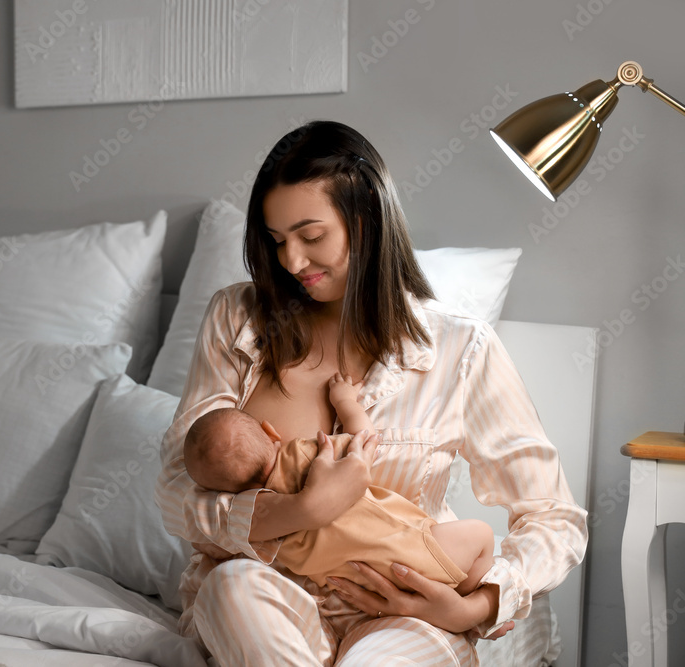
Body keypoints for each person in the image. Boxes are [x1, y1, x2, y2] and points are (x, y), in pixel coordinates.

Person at [155, 120, 588, 665]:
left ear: (365, 224)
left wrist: (475, 608)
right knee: (231, 589)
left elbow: (554, 516)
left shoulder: (460, 348)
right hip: (270, 599)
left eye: (312, 237)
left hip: (405, 612)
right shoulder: (236, 320)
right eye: (277, 241)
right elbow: (175, 492)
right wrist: (302, 510)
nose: (291, 262)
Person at [183, 372, 495, 598]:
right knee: (482, 535)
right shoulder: (303, 454)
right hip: (419, 549)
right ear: (271, 432)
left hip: (373, 588)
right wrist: (344, 401)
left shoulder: (267, 533)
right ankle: (467, 594)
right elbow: (364, 439)